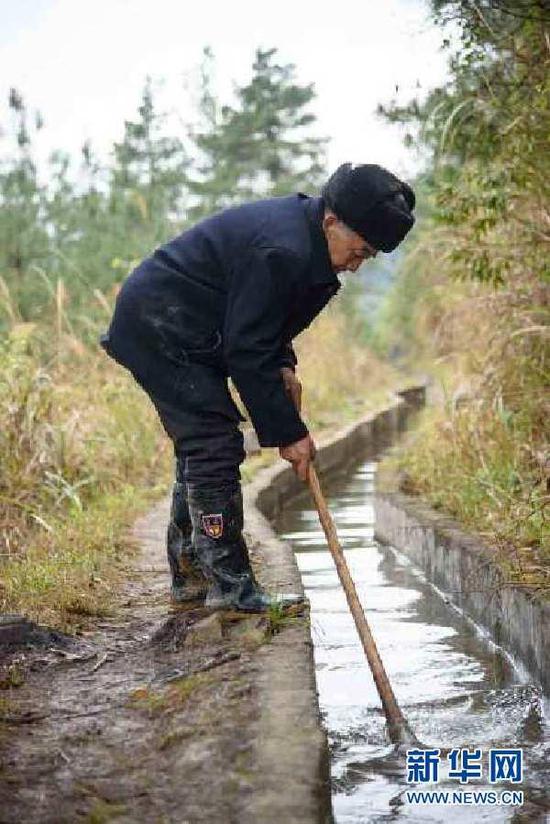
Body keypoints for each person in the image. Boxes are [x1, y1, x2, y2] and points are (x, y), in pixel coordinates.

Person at [100, 163, 415, 611]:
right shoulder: (282, 249)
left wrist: (284, 365)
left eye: (368, 259)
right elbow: (247, 350)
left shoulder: (310, 246)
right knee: (212, 444)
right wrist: (289, 434)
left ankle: (192, 576)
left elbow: (269, 326)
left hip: (197, 330)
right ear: (331, 222)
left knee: (202, 445)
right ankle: (231, 590)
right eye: (359, 252)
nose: (357, 266)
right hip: (161, 324)